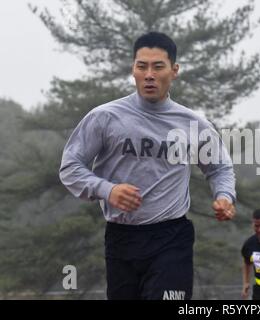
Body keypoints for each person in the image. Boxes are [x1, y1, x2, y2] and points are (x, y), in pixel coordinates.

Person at [59, 32, 236, 300]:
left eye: (158, 66)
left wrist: (224, 196)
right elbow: (70, 167)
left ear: (174, 71)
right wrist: (107, 190)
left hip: (171, 238)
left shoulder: (193, 124)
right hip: (121, 238)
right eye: (142, 66)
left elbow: (219, 168)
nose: (149, 75)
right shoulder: (106, 117)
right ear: (133, 69)